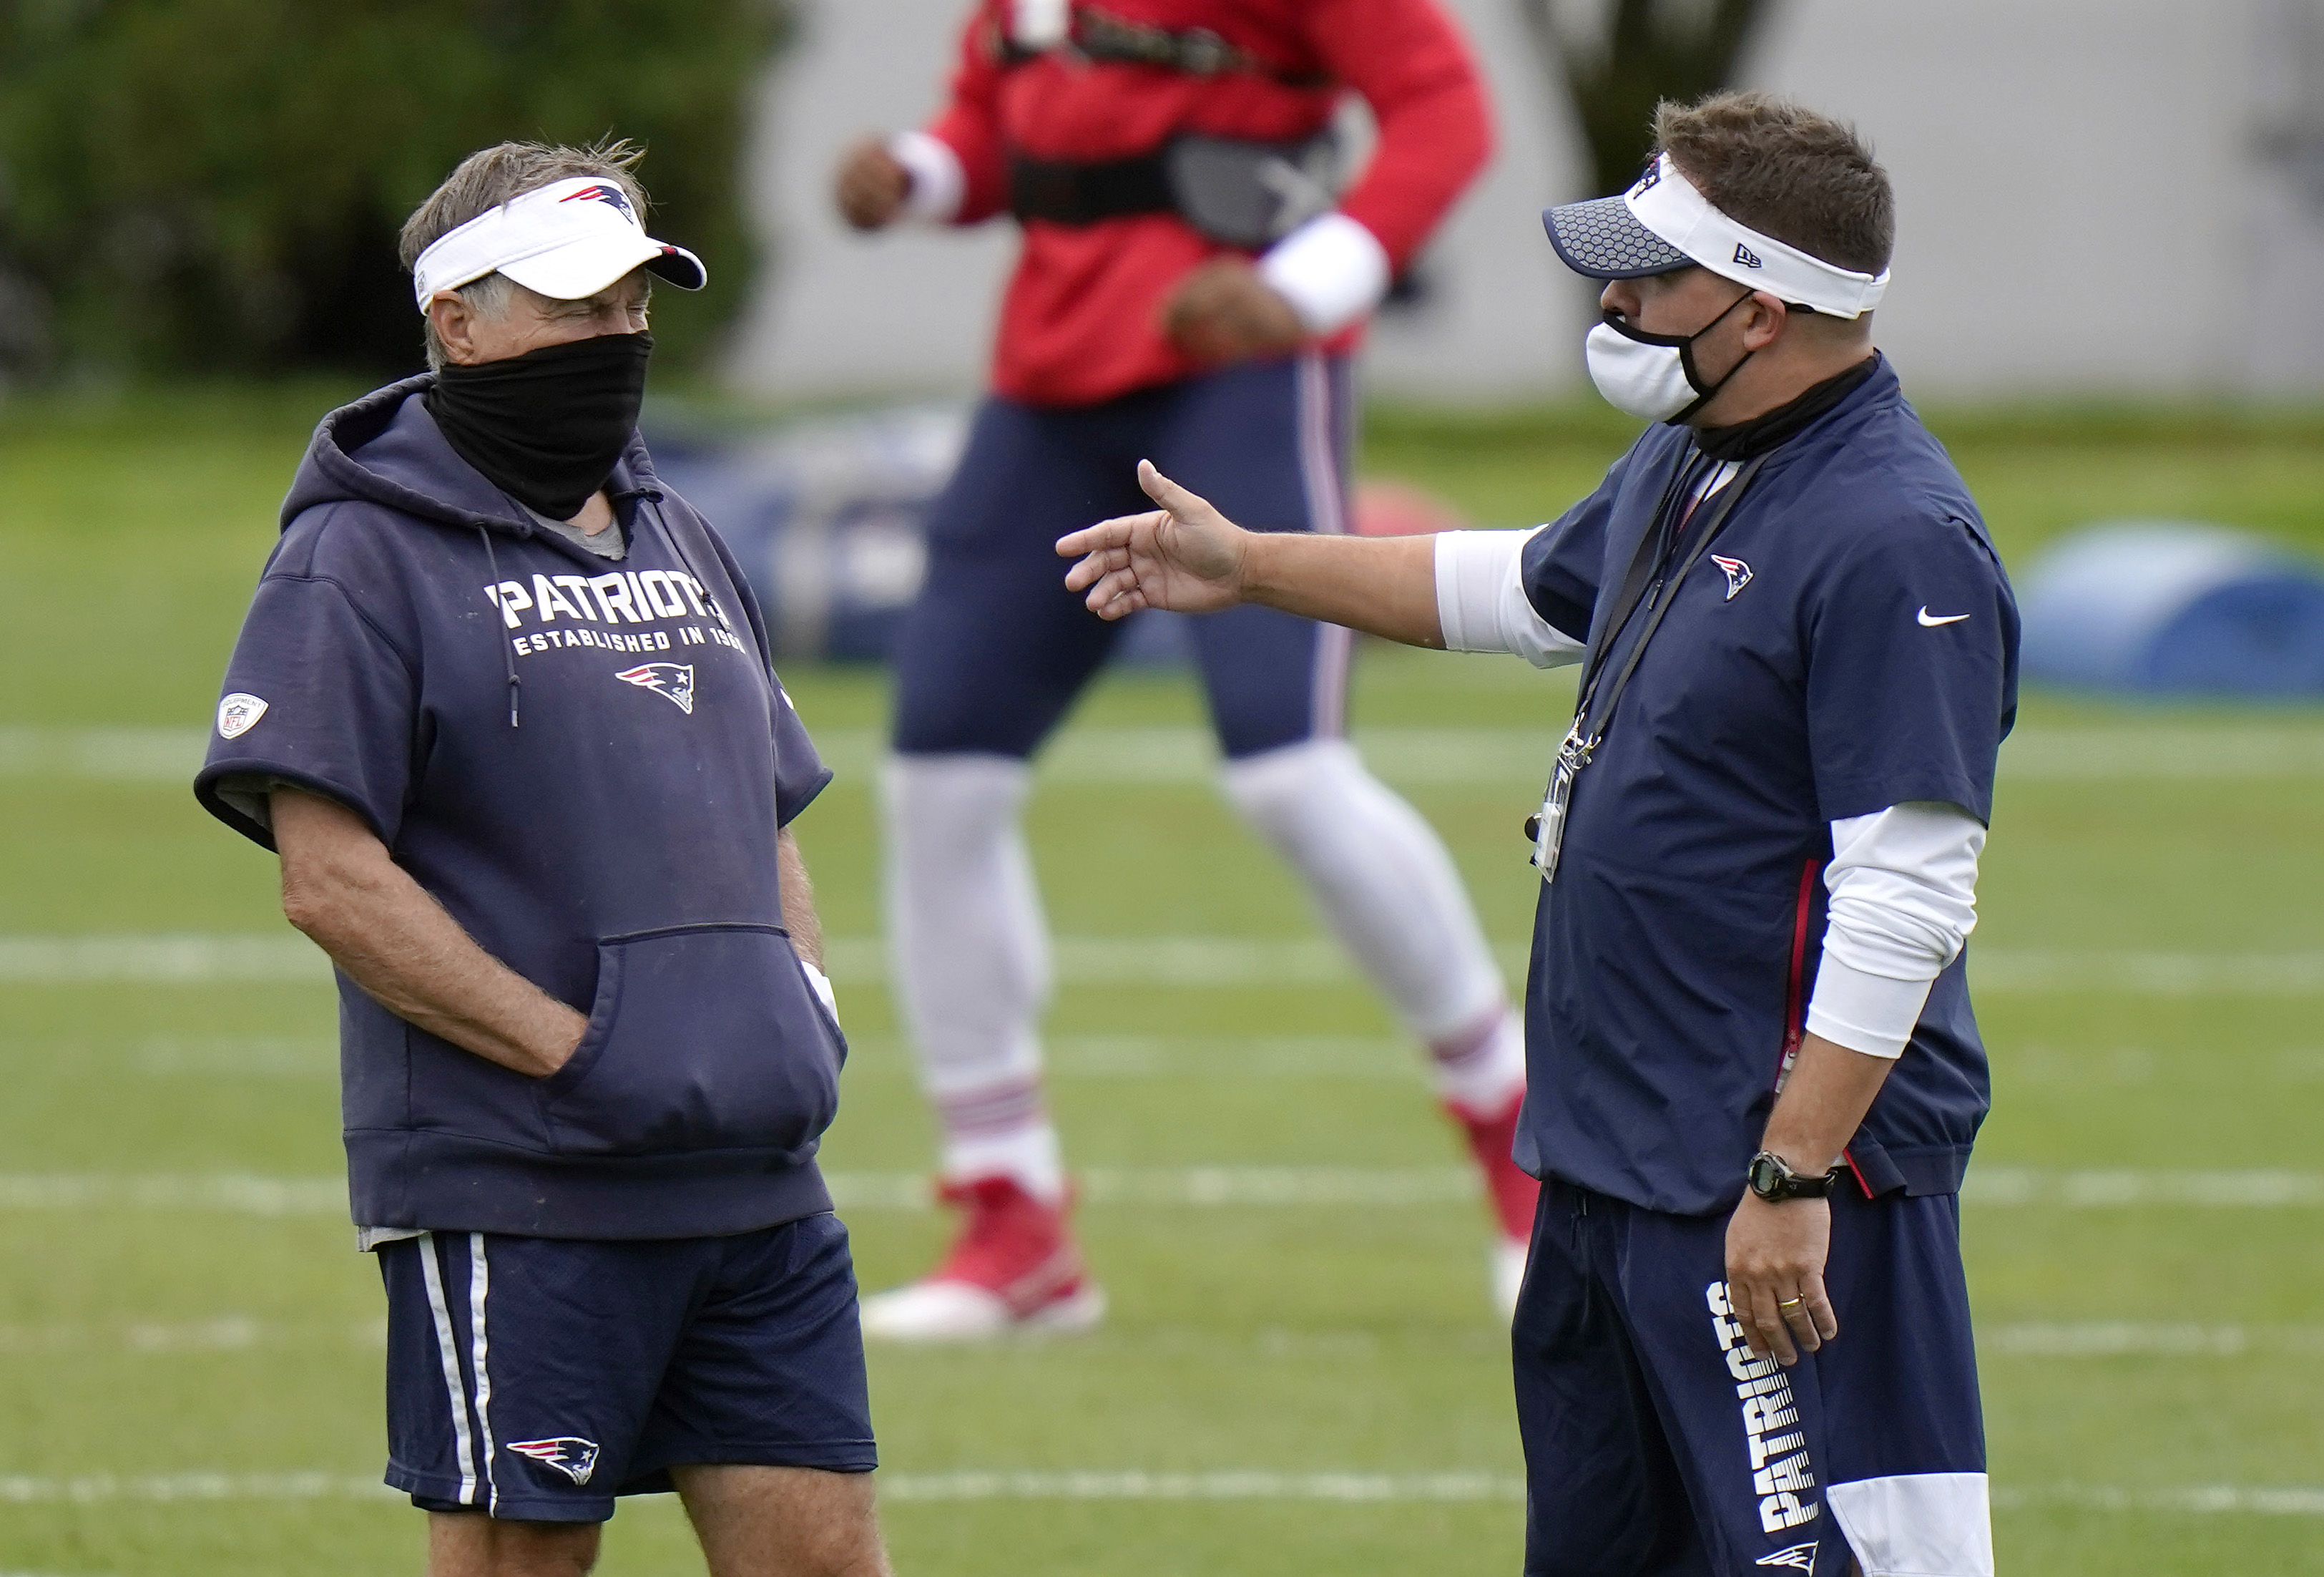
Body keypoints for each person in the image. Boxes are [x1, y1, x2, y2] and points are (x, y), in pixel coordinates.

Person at [1062, 92, 2014, 1577]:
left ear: (1760, 311)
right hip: (1611, 1166)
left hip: (1760, 1185)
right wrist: (1246, 566)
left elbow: (1906, 887)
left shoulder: (1890, 534)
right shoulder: (1701, 454)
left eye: (1647, 270)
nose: (1613, 296)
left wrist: (1789, 1180)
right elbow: (1517, 588)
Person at [195, 141, 892, 1577]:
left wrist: (802, 1008)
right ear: (461, 322)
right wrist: (578, 1058)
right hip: (526, 1189)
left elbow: (761, 811)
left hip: (756, 1181)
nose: (617, 340)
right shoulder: (354, 560)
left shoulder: (678, 528)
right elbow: (329, 878)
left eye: (635, 307)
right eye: (579, 309)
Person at [833, 0, 1539, 1340]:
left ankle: (1521, 1151)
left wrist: (1304, 285)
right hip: (1050, 385)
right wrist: (917, 173)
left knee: (1290, 777)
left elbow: (1445, 111)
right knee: (937, 787)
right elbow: (1009, 130)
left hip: (1236, 366)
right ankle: (1011, 1222)